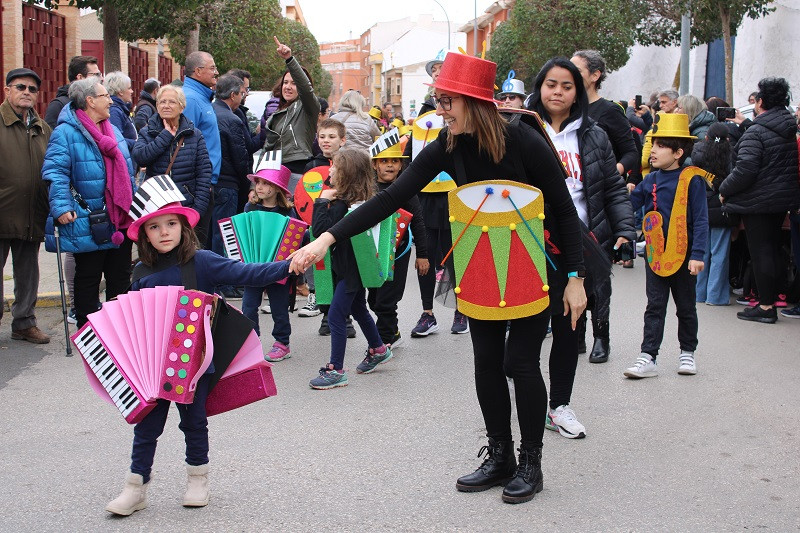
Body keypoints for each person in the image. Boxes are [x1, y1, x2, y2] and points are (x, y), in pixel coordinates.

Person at [290, 52, 586, 504]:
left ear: (474, 102)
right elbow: (390, 198)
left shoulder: (525, 141)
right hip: (479, 258)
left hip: (534, 262)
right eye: (439, 100)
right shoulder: (447, 145)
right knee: (486, 361)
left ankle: (531, 462)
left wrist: (575, 277)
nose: (440, 110)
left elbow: (564, 211)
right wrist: (327, 239)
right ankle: (500, 455)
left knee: (522, 363)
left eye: (448, 100)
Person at [104, 176, 290, 516]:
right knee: (147, 427)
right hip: (152, 367)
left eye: (171, 223)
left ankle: (197, 479)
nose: (164, 232)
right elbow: (129, 324)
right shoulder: (140, 272)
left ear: (183, 226)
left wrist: (289, 264)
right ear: (144, 234)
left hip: (196, 363)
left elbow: (246, 272)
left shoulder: (201, 261)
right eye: (155, 227)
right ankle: (135, 487)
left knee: (194, 421)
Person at [526, 57, 634, 438]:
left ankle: (560, 406)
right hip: (529, 241)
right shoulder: (521, 129)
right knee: (526, 327)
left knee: (569, 326)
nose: (557, 91)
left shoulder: (594, 134)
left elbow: (613, 188)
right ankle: (528, 401)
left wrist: (623, 228)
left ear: (578, 92)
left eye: (567, 86)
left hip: (581, 244)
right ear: (539, 86)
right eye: (551, 84)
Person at [42, 78, 136, 328]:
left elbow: (127, 172)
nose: (110, 100)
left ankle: (119, 333)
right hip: (87, 216)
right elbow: (55, 172)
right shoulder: (65, 132)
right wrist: (61, 206)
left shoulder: (112, 130)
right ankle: (88, 333)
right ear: (90, 101)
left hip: (119, 218)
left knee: (119, 278)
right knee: (88, 278)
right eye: (105, 96)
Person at [625, 113, 708, 379]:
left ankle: (687, 352)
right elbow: (630, 205)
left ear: (678, 152)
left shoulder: (692, 179)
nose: (652, 150)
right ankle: (648, 356)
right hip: (655, 256)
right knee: (655, 306)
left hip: (684, 257)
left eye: (660, 145)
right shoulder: (650, 180)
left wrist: (697, 255)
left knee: (685, 306)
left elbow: (701, 220)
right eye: (653, 144)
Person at [308, 149, 395, 390]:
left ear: (347, 174)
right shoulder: (361, 202)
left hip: (350, 270)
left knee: (336, 315)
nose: (331, 170)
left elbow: (320, 231)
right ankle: (378, 349)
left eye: (335, 167)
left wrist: (322, 201)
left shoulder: (339, 205)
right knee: (358, 307)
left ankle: (336, 370)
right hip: (356, 267)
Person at [719, 77, 800, 323]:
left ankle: (765, 307)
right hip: (780, 199)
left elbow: (745, 170)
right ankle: (771, 301)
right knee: (773, 251)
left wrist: (724, 189)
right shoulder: (787, 128)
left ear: (761, 101)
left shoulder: (758, 131)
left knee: (761, 252)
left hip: (757, 200)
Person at [0, 68, 52, 344]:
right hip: (2, 212)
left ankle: (24, 323)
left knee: (28, 271)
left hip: (32, 212)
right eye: (21, 87)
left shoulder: (42, 128)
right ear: (7, 90)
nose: (27, 93)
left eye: (32, 89)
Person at [366, 135, 429, 348]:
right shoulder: (368, 190)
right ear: (374, 165)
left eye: (394, 161)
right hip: (373, 253)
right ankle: (392, 332)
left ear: (401, 165)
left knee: (386, 301)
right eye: (384, 161)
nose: (390, 165)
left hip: (398, 253)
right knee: (373, 300)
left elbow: (419, 223)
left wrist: (422, 255)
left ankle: (383, 343)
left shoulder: (406, 190)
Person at [131, 84, 212, 240]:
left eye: (172, 102)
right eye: (162, 102)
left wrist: (197, 210)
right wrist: (165, 136)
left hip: (185, 206)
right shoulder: (147, 132)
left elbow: (204, 173)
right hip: (157, 206)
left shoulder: (194, 135)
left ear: (181, 107)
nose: (166, 106)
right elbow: (140, 157)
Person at [240, 165, 297, 362]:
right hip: (254, 266)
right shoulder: (250, 207)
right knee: (248, 306)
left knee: (279, 307)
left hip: (278, 268)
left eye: (265, 183)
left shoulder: (287, 211)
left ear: (277, 187)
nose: (260, 187)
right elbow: (243, 233)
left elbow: (295, 237)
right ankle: (251, 342)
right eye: (258, 183)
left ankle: (282, 343)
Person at [300, 119, 349, 329]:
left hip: (343, 226)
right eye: (322, 137)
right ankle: (326, 315)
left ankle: (344, 317)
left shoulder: (348, 163)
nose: (326, 141)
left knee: (343, 271)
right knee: (321, 269)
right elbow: (303, 196)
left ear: (343, 140)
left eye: (331, 137)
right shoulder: (312, 165)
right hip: (318, 223)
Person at [263, 37, 321, 194]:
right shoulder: (277, 112)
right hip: (274, 172)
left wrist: (289, 59)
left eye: (294, 83)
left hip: (297, 171)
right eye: (286, 82)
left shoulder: (308, 107)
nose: (288, 87)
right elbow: (267, 148)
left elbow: (306, 89)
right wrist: (256, 183)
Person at [211, 75, 250, 299]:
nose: (242, 98)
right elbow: (240, 157)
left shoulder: (209, 112)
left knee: (214, 235)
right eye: (242, 93)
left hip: (212, 183)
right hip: (228, 184)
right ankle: (224, 283)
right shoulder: (232, 119)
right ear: (233, 95)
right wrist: (247, 184)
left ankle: (218, 281)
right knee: (225, 235)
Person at [571, 50, 638, 177]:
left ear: (595, 76)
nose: (570, 75)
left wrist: (611, 173)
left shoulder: (611, 110)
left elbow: (630, 152)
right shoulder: (565, 110)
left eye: (577, 71)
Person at [691, 122, 736, 306]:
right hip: (721, 206)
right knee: (719, 253)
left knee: (702, 252)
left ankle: (699, 293)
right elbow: (734, 177)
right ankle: (715, 296)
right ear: (727, 138)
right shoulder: (730, 153)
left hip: (700, 205)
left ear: (707, 137)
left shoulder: (697, 151)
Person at [183, 51, 221, 246]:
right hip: (198, 186)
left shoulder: (202, 97)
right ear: (198, 71)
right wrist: (201, 183)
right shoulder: (191, 100)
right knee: (195, 244)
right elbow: (186, 145)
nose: (216, 72)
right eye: (212, 68)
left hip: (204, 183)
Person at [44, 55, 101, 129]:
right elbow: (51, 136)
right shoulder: (58, 105)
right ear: (80, 77)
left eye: (99, 74)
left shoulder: (97, 102)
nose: (100, 78)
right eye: (96, 75)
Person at [104, 71, 137, 151]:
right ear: (120, 92)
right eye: (129, 88)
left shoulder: (121, 109)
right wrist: (137, 143)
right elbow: (116, 141)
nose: (132, 91)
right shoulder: (114, 111)